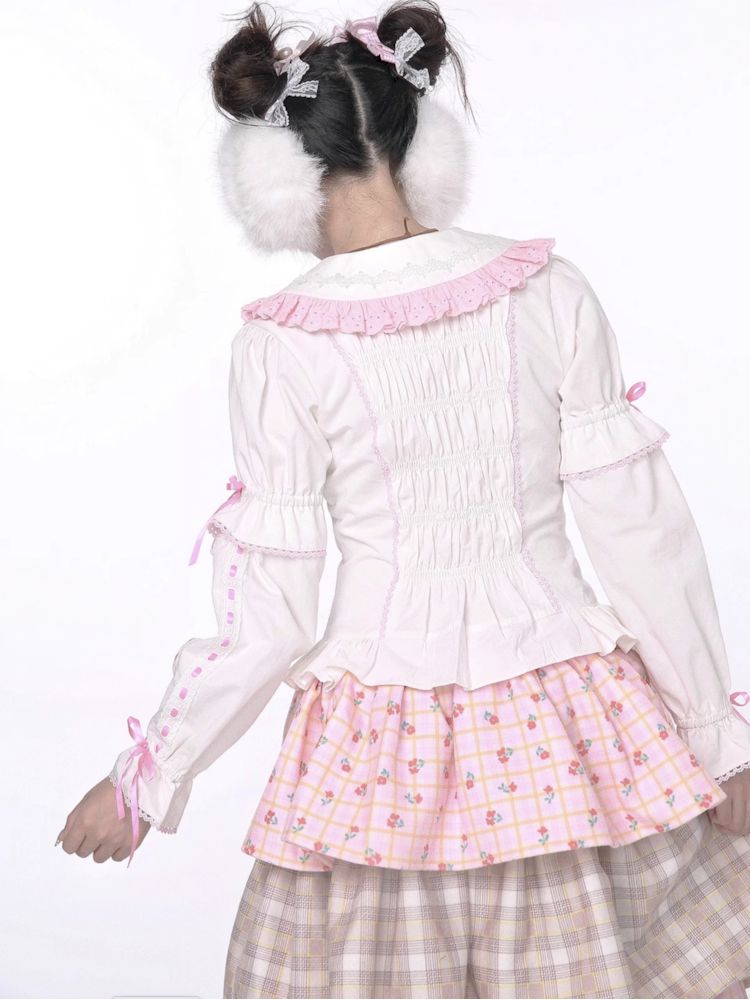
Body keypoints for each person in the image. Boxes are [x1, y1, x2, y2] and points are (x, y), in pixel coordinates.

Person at [56, 2, 750, 997]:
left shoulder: (285, 343)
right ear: (418, 143)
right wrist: (717, 741)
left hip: (381, 756)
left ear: (275, 172)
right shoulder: (547, 288)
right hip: (568, 731)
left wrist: (149, 775)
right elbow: (643, 532)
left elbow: (268, 620)